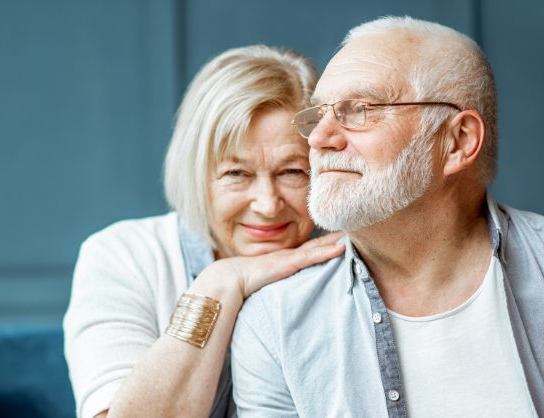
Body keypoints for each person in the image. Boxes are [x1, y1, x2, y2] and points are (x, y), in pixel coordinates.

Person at [231, 16, 544, 417]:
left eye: (358, 110)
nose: (320, 138)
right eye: (318, 114)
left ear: (458, 141)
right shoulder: (276, 322)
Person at [63, 45, 347, 418]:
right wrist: (221, 283)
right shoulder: (124, 255)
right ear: (196, 174)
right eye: (236, 174)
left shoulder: (350, 262)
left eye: (291, 171)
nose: (267, 204)